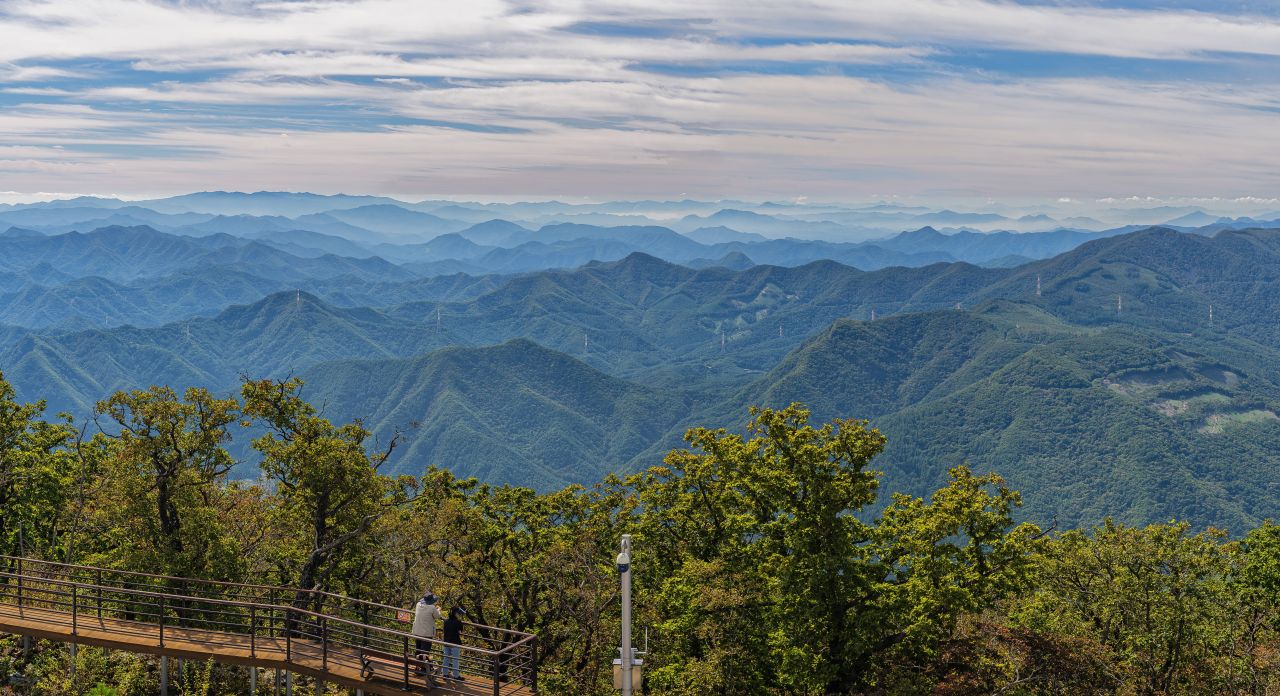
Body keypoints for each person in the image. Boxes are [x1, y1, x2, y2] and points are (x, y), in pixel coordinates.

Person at [411, 592, 442, 674]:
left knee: (418, 649)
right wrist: (438, 609)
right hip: (427, 633)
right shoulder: (432, 608)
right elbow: (437, 616)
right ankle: (424, 669)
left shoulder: (418, 604)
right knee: (425, 651)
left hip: (417, 630)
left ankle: (417, 667)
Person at [442, 607, 467, 681]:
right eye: (458, 613)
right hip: (455, 643)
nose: (459, 615)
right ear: (455, 613)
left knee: (446, 658)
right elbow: (460, 632)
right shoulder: (458, 622)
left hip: (446, 642)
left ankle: (445, 674)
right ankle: (456, 676)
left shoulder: (446, 621)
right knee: (455, 660)